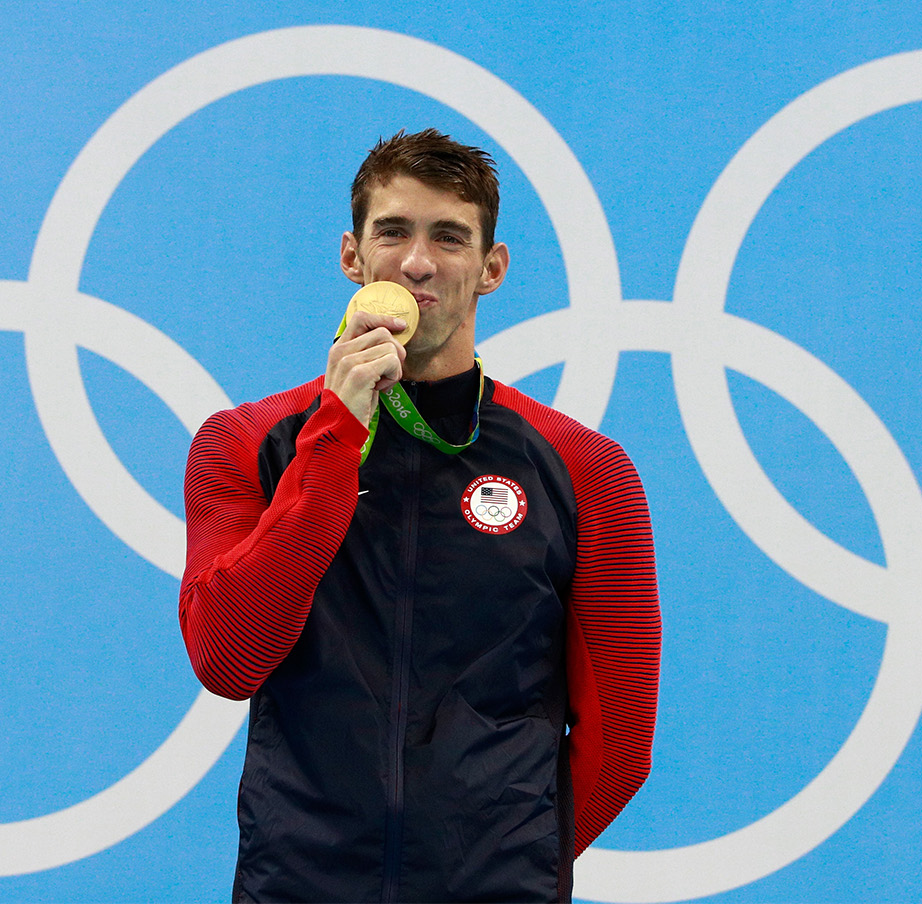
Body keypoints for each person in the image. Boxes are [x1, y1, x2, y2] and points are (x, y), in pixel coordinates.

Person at [180, 129, 660, 903]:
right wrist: (335, 432)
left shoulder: (586, 471)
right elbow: (227, 660)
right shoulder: (246, 445)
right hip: (299, 887)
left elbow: (622, 743)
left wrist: (507, 864)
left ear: (491, 269)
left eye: (449, 237)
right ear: (352, 256)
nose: (418, 262)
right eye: (393, 231)